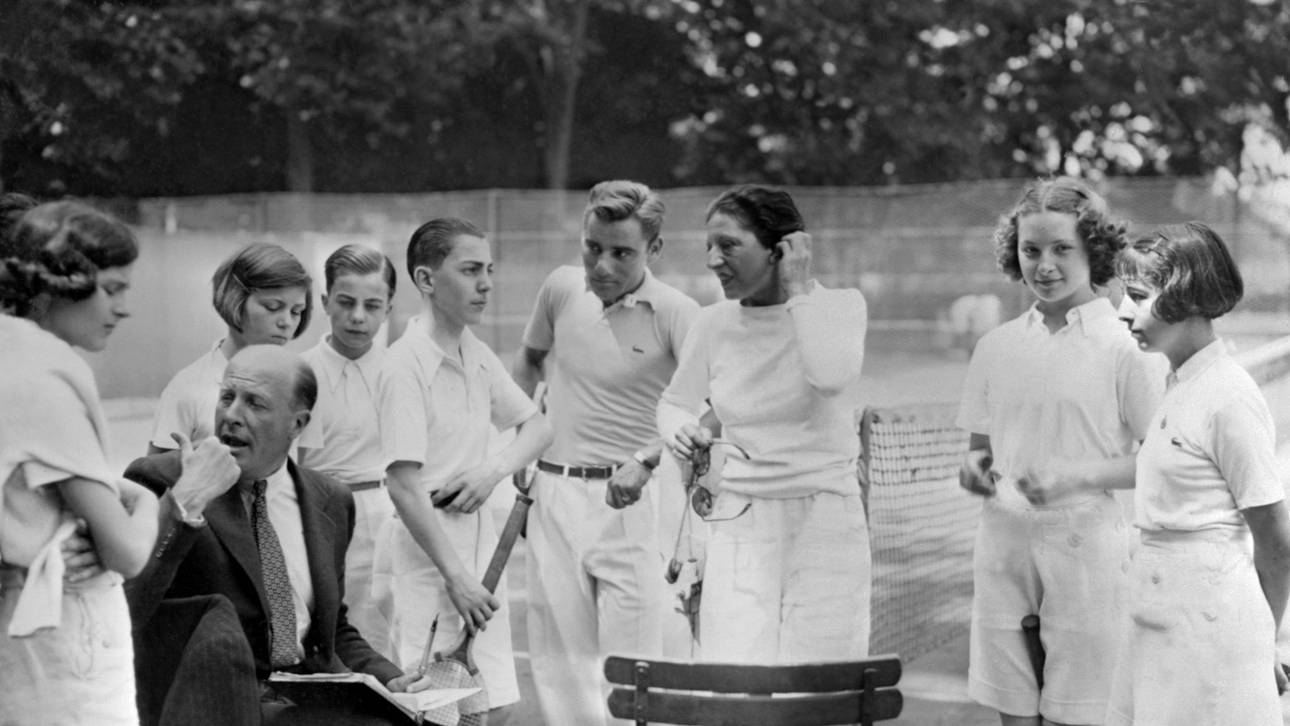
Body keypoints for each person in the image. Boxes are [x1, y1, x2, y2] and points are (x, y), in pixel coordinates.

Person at [125, 345, 434, 725]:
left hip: (308, 704)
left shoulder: (331, 500)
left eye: (255, 403)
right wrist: (188, 501)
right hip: (213, 706)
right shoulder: (164, 479)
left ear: (298, 424)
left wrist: (392, 678)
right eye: (227, 397)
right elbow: (125, 606)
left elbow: (330, 629)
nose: (232, 415)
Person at [955, 177, 1167, 726]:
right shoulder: (995, 346)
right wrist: (975, 470)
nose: (1044, 265)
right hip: (1002, 545)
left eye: (1061, 249)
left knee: (1081, 716)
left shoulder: (1127, 346)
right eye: (1030, 250)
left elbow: (1163, 461)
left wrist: (1076, 477)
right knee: (1015, 713)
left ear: (1092, 250)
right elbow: (979, 449)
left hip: (1089, 551)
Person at [656, 184, 870, 664]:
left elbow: (830, 376)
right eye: (709, 246)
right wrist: (681, 430)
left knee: (819, 691)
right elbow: (672, 403)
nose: (713, 260)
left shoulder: (841, 306)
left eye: (728, 245)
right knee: (735, 689)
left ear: (781, 248)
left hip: (827, 521)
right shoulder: (712, 325)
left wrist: (797, 291)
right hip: (739, 521)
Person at [512, 180, 699, 724]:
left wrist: (645, 460)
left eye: (622, 253)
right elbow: (528, 360)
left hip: (635, 505)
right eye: (593, 247)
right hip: (552, 496)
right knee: (558, 661)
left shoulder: (678, 313)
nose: (602, 266)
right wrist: (519, 446)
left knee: (634, 663)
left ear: (654, 250)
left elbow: (707, 411)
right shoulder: (560, 290)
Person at [1106, 222, 1290, 725]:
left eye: (1139, 296)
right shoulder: (1177, 383)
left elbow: (1274, 538)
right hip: (1159, 620)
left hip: (1212, 630)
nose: (1124, 311)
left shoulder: (1229, 396)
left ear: (1188, 298)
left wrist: (1259, 645)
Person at [377, 217, 552, 725]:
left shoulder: (475, 353)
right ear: (427, 280)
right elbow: (403, 485)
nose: (487, 284)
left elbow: (538, 428)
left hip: (479, 570)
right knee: (431, 717)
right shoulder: (403, 365)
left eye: (489, 270)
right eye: (471, 269)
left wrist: (490, 471)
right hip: (430, 569)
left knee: (491, 713)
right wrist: (455, 578)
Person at [0, 200, 160, 725]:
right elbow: (128, 552)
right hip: (63, 638)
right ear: (57, 285)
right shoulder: (45, 372)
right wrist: (147, 499)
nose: (124, 308)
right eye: (112, 289)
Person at [297, 244, 398, 658]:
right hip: (324, 515)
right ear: (325, 303)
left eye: (372, 305)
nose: (359, 316)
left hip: (392, 512)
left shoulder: (402, 371)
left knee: (389, 635)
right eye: (346, 302)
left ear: (388, 308)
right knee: (329, 634)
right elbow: (295, 463)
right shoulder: (301, 373)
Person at [148, 242, 315, 453]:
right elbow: (153, 477)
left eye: (296, 311)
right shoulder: (187, 389)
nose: (286, 322)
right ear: (235, 301)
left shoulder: (297, 385)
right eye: (273, 307)